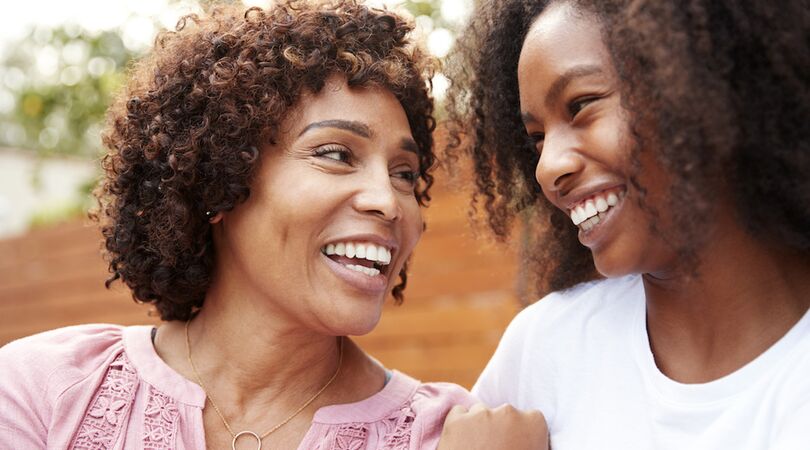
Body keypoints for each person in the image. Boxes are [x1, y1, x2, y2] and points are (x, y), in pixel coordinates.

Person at [0, 2, 477, 448]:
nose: (388, 202)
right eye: (336, 154)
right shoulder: (44, 390)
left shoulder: (451, 434)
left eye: (404, 174)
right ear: (219, 181)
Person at [439, 0, 810, 448]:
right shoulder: (545, 349)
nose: (547, 167)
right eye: (536, 139)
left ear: (700, 83)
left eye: (581, 105)